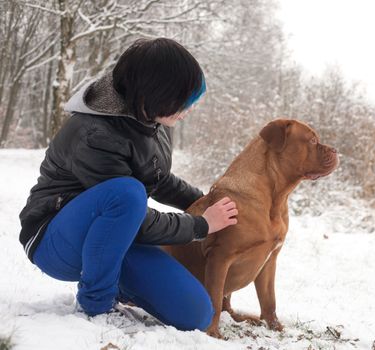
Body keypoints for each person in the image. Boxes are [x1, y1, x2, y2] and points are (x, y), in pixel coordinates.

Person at [18, 38, 238, 331]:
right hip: (54, 239)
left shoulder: (149, 119)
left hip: (114, 238)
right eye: (183, 99)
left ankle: (118, 283)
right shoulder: (95, 134)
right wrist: (200, 225)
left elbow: (158, 179)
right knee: (128, 193)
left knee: (195, 313)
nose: (189, 108)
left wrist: (205, 202)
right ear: (155, 93)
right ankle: (95, 304)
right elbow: (133, 212)